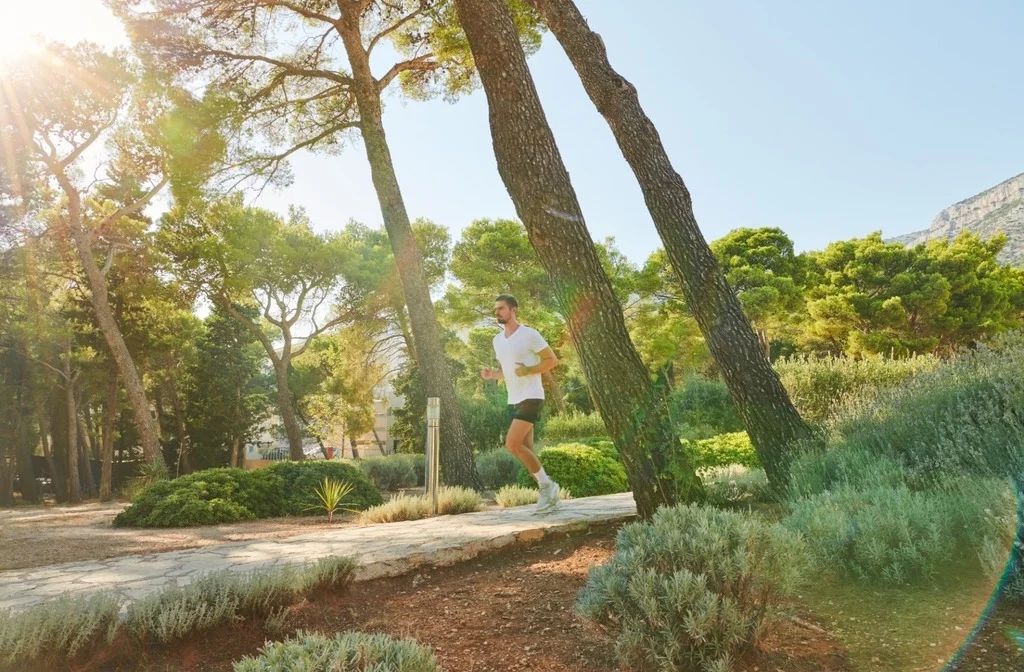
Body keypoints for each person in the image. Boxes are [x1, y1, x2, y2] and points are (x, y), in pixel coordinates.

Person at [480, 294, 561, 514]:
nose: (497, 312)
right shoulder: (497, 340)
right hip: (515, 398)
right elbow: (507, 373)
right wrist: (492, 375)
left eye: (502, 308)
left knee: (512, 444)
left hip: (532, 396)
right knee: (527, 449)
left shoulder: (529, 334)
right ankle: (550, 498)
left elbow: (552, 360)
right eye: (496, 309)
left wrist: (529, 370)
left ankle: (548, 487)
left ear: (513, 310)